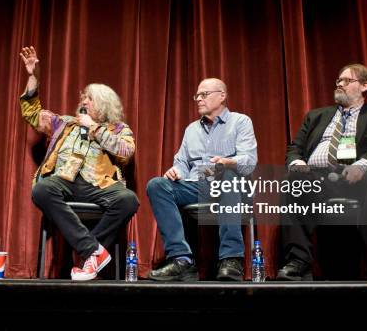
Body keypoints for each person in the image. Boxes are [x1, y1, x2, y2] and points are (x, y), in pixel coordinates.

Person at [277, 63, 367, 281]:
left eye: (346, 80)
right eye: (338, 81)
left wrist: (362, 164)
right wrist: (296, 162)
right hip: (319, 177)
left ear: (364, 85)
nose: (339, 84)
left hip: (359, 178)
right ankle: (297, 261)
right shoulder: (316, 116)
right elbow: (295, 147)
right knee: (293, 179)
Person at [19, 46, 139, 281]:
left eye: (89, 98)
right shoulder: (64, 123)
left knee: (128, 200)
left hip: (100, 185)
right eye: (83, 98)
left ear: (104, 104)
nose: (83, 101)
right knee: (42, 188)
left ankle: (89, 257)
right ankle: (92, 251)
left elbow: (126, 152)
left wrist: (93, 128)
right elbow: (32, 115)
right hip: (65, 180)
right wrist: (32, 76)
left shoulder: (118, 129)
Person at [147, 78, 258, 281]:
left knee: (228, 175)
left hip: (229, 185)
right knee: (157, 185)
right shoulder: (191, 130)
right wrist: (176, 170)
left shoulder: (240, 122)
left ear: (222, 96)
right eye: (197, 95)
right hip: (196, 185)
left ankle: (231, 259)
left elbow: (249, 161)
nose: (198, 99)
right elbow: (181, 162)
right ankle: (181, 259)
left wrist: (227, 162)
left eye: (204, 94)